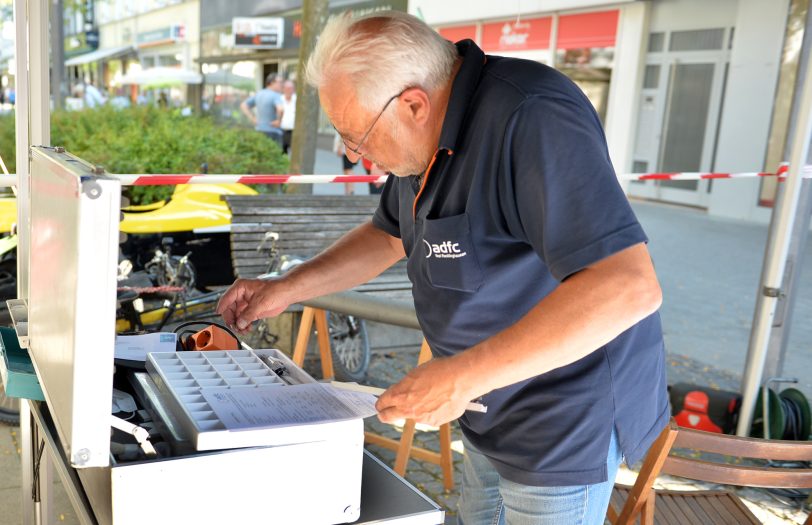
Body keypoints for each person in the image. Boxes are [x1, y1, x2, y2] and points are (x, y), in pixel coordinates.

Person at [216, 11, 668, 525]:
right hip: (483, 403)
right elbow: (387, 235)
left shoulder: (533, 116)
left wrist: (458, 378)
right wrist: (287, 288)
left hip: (561, 419)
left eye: (356, 137)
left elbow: (628, 286)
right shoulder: (421, 137)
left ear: (413, 103)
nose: (353, 155)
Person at [240, 73, 284, 148]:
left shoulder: (259, 94)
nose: (281, 85)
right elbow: (281, 109)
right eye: (279, 82)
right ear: (272, 82)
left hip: (259, 130)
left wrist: (252, 118)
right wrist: (279, 121)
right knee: (274, 157)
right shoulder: (276, 95)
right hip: (273, 132)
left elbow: (243, 105)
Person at [333, 131, 358, 195]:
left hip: (348, 150)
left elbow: (344, 135)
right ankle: (348, 191)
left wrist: (340, 147)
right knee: (347, 170)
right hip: (349, 149)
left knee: (348, 170)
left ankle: (350, 191)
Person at [279, 80, 297, 155]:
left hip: (294, 132)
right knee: (282, 153)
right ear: (283, 89)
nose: (289, 90)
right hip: (281, 131)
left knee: (295, 154)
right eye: (287, 88)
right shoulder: (279, 99)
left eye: (291, 88)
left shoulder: (298, 100)